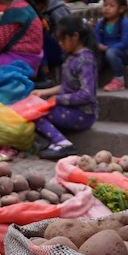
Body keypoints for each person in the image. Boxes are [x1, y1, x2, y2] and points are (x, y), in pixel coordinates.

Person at [33, 14, 98, 160]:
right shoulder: (71, 57)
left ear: (74, 36)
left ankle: (62, 143)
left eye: (63, 39)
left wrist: (57, 99)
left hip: (84, 113)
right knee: (36, 108)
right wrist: (43, 92)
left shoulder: (86, 60)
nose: (60, 43)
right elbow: (67, 86)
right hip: (70, 109)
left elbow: (86, 94)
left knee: (37, 114)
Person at [22, 0, 70, 84]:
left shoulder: (58, 10)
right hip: (42, 51)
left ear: (46, 0)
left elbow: (68, 36)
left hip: (61, 50)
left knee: (39, 37)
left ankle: (45, 73)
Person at [96, 0, 128, 91]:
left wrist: (107, 48)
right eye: (105, 5)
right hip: (105, 53)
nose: (107, 8)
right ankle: (91, 78)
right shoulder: (100, 24)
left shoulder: (125, 23)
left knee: (111, 52)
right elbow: (96, 39)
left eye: (111, 6)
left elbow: (125, 43)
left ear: (121, 9)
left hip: (122, 54)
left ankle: (119, 79)